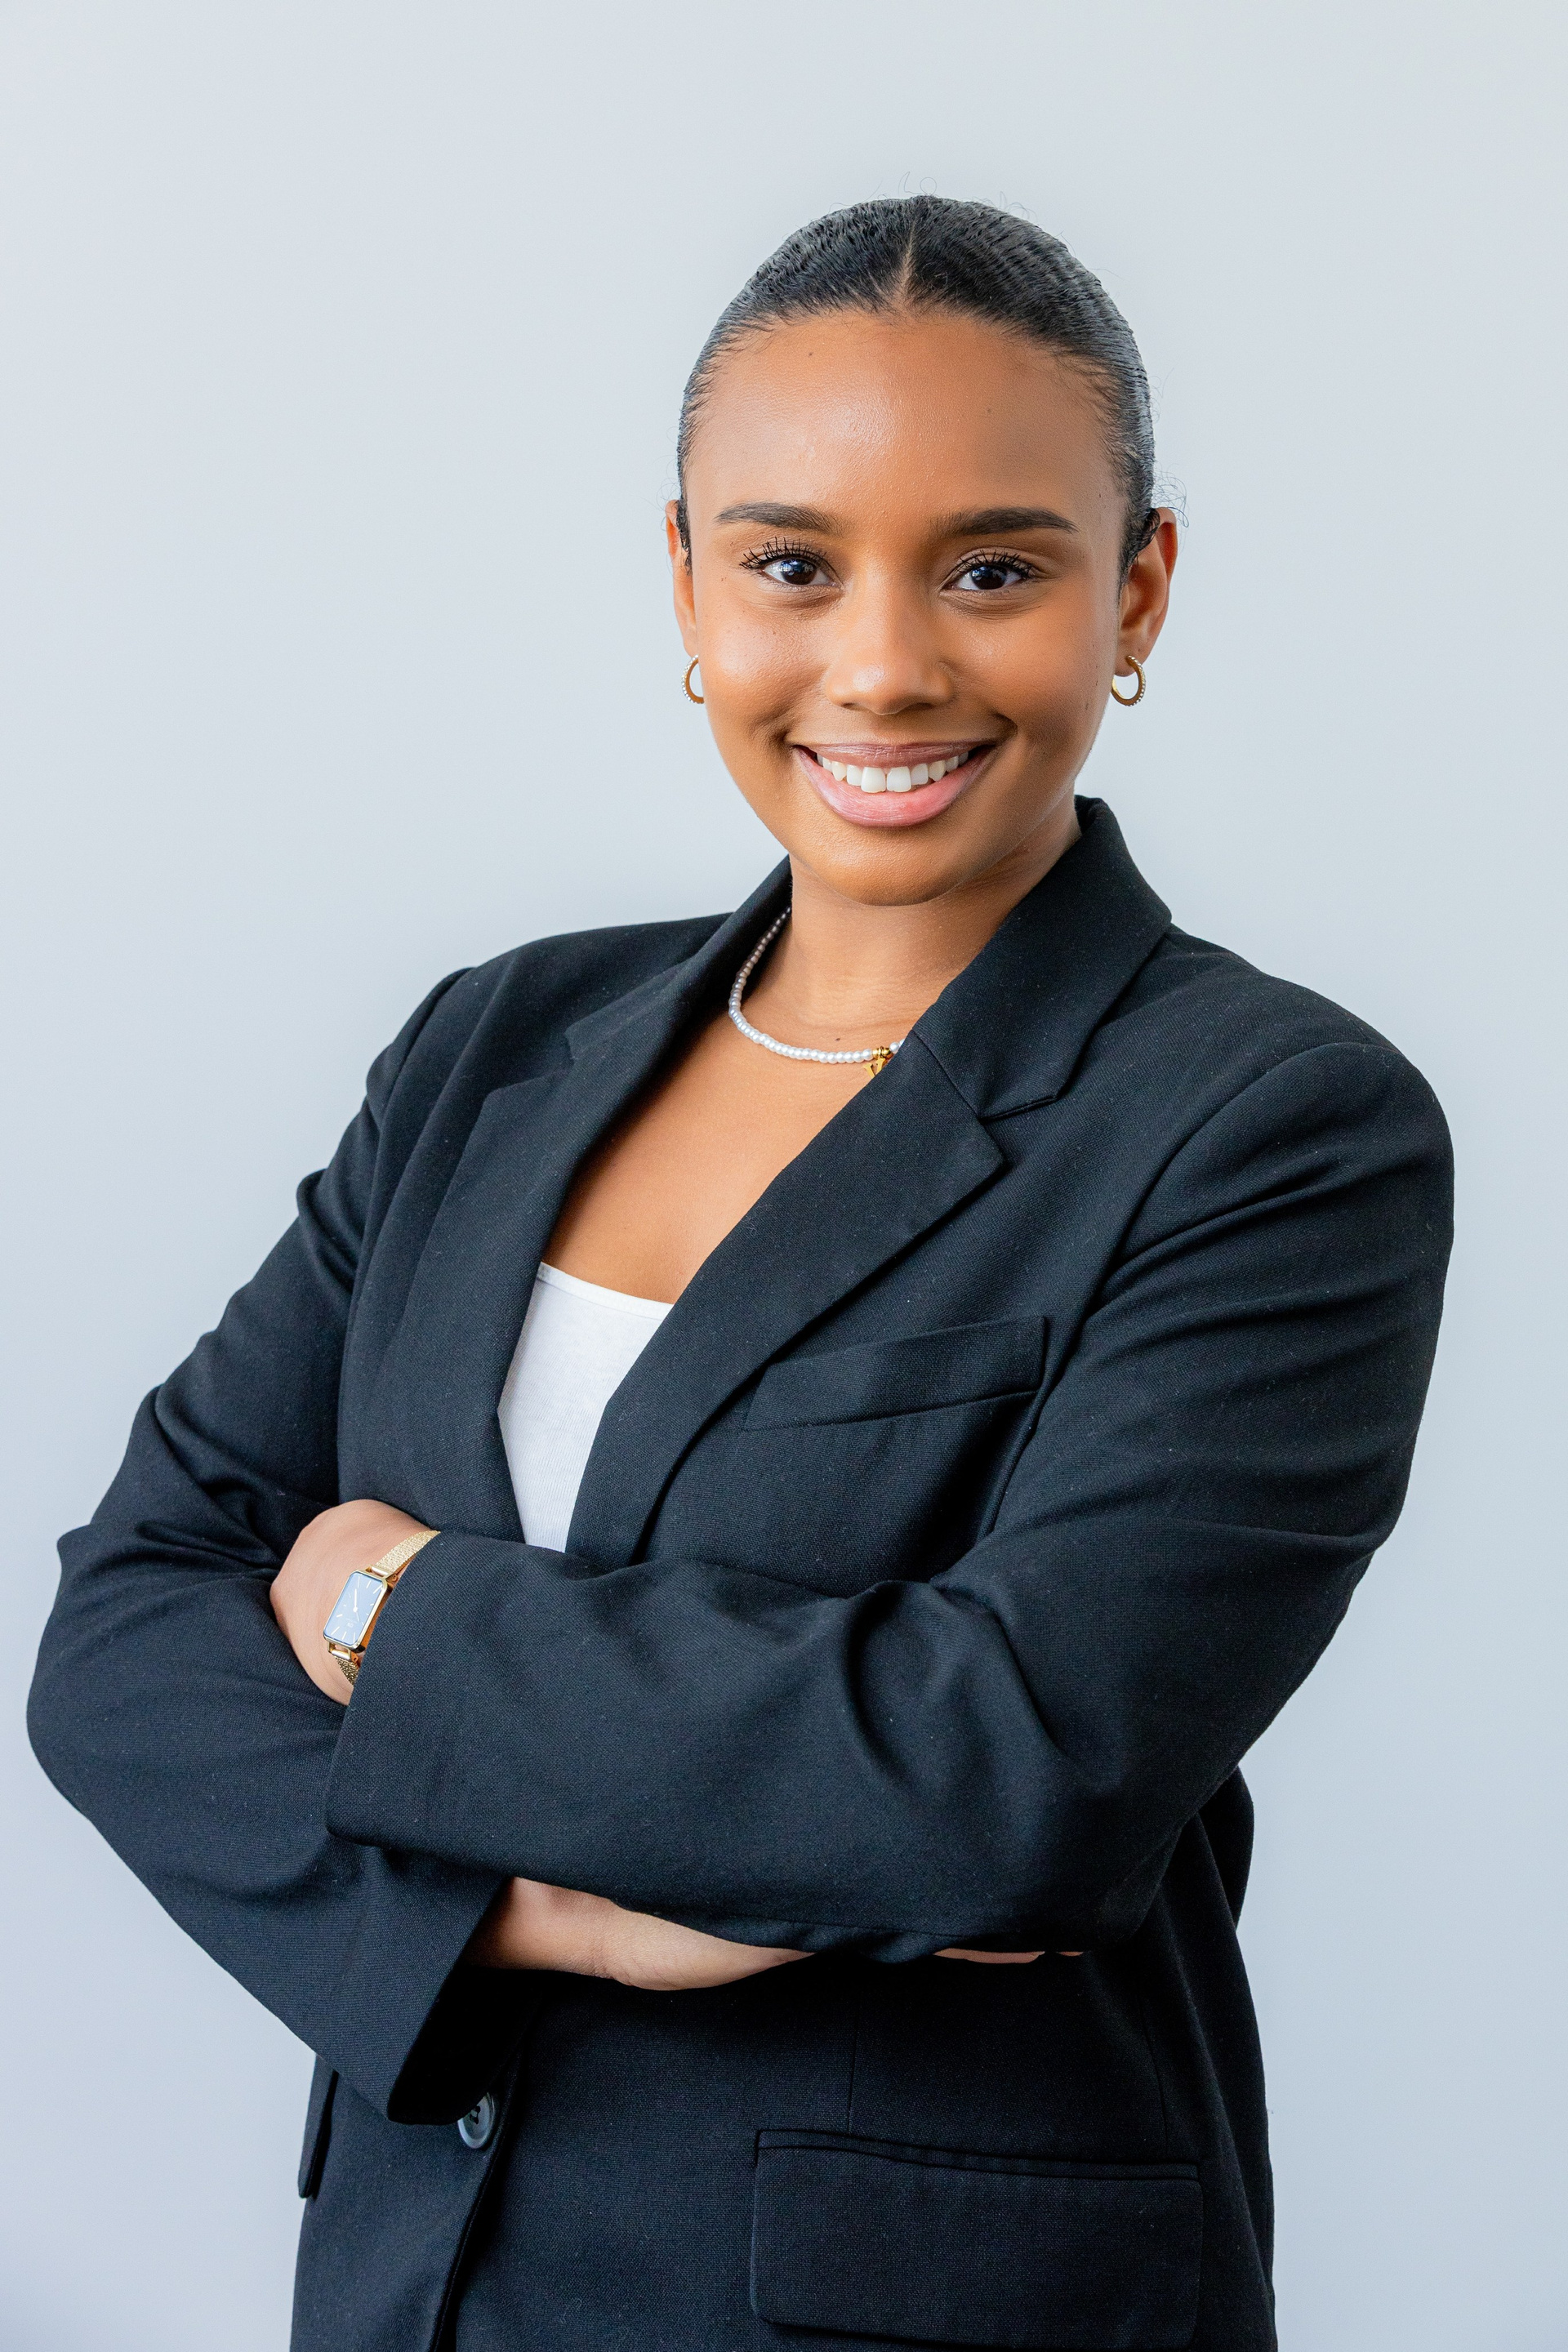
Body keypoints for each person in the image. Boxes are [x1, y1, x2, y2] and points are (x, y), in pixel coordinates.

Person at [29, 197, 1451, 2352]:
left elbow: (1008, 1776)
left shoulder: (1270, 1125)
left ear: (1139, 587)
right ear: (687, 583)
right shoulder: (495, 1044)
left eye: (993, 568)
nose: (882, 665)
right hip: (418, 2292)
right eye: (793, 564)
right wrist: (542, 1922)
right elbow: (130, 1623)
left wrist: (385, 1604)